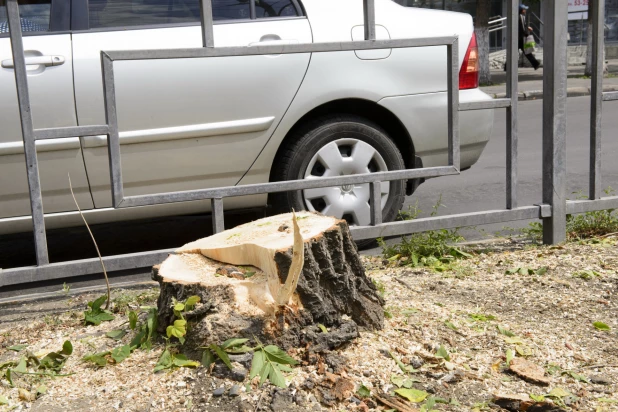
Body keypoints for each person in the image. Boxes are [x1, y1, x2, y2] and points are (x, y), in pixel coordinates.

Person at [518, 4, 540, 70]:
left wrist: (527, 27)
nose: (525, 11)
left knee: (526, 52)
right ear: (521, 10)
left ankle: (535, 64)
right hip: (519, 38)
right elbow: (521, 28)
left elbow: (523, 26)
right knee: (526, 52)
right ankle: (535, 64)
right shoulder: (519, 17)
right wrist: (526, 34)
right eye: (524, 9)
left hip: (520, 38)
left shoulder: (521, 16)